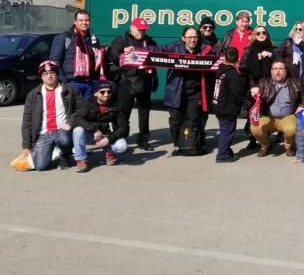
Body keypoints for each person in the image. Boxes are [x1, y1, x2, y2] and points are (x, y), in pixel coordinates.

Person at [158, 26, 216, 155]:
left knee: (193, 120)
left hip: (195, 93)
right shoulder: (175, 47)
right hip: (176, 91)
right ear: (183, 38)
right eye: (190, 37)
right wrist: (136, 50)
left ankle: (194, 142)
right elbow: (156, 50)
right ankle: (179, 143)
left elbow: (218, 56)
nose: (193, 40)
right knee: (175, 120)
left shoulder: (205, 49)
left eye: (195, 37)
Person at [106, 17, 157, 150]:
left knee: (144, 112)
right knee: (124, 112)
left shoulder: (149, 41)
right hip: (126, 82)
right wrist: (124, 53)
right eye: (139, 29)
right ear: (132, 28)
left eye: (144, 30)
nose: (142, 32)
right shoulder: (121, 40)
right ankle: (121, 136)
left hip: (144, 81)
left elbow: (156, 59)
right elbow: (114, 57)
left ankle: (143, 139)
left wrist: (154, 80)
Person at [20, 60, 79, 171]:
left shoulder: (70, 90)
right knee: (40, 166)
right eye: (45, 74)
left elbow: (80, 109)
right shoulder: (33, 95)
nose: (49, 76)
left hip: (62, 130)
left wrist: (70, 123)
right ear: (41, 77)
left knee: (65, 140)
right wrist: (27, 145)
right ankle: (53, 149)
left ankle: (65, 156)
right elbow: (27, 120)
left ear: (57, 74)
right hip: (44, 133)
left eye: (52, 73)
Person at [70, 80, 129, 172]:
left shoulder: (117, 104)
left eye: (109, 92)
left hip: (108, 135)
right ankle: (81, 159)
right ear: (95, 93)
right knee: (77, 130)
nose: (106, 94)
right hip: (92, 135)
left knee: (122, 146)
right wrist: (94, 129)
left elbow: (125, 128)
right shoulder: (87, 103)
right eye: (102, 92)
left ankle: (109, 151)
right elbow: (76, 119)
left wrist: (109, 139)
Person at [250, 60, 302, 157]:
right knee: (255, 128)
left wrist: (301, 106)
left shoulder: (295, 83)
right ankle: (265, 146)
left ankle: (288, 147)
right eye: (275, 69)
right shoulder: (263, 83)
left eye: (281, 69)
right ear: (271, 71)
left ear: (286, 71)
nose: (278, 71)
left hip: (288, 116)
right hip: (268, 117)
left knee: (292, 128)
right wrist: (253, 92)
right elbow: (250, 100)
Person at [49, 8, 103, 99]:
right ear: (75, 22)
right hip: (71, 83)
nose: (84, 23)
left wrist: (95, 81)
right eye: (81, 20)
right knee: (71, 112)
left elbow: (97, 61)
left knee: (87, 112)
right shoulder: (65, 37)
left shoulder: (94, 40)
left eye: (87, 20)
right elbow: (55, 60)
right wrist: (64, 82)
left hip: (89, 84)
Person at [213, 47, 247, 163]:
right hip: (228, 108)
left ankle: (225, 150)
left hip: (219, 106)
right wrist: (243, 102)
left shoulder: (220, 71)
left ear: (224, 58)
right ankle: (222, 155)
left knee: (224, 130)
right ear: (238, 59)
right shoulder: (233, 74)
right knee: (227, 132)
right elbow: (237, 93)